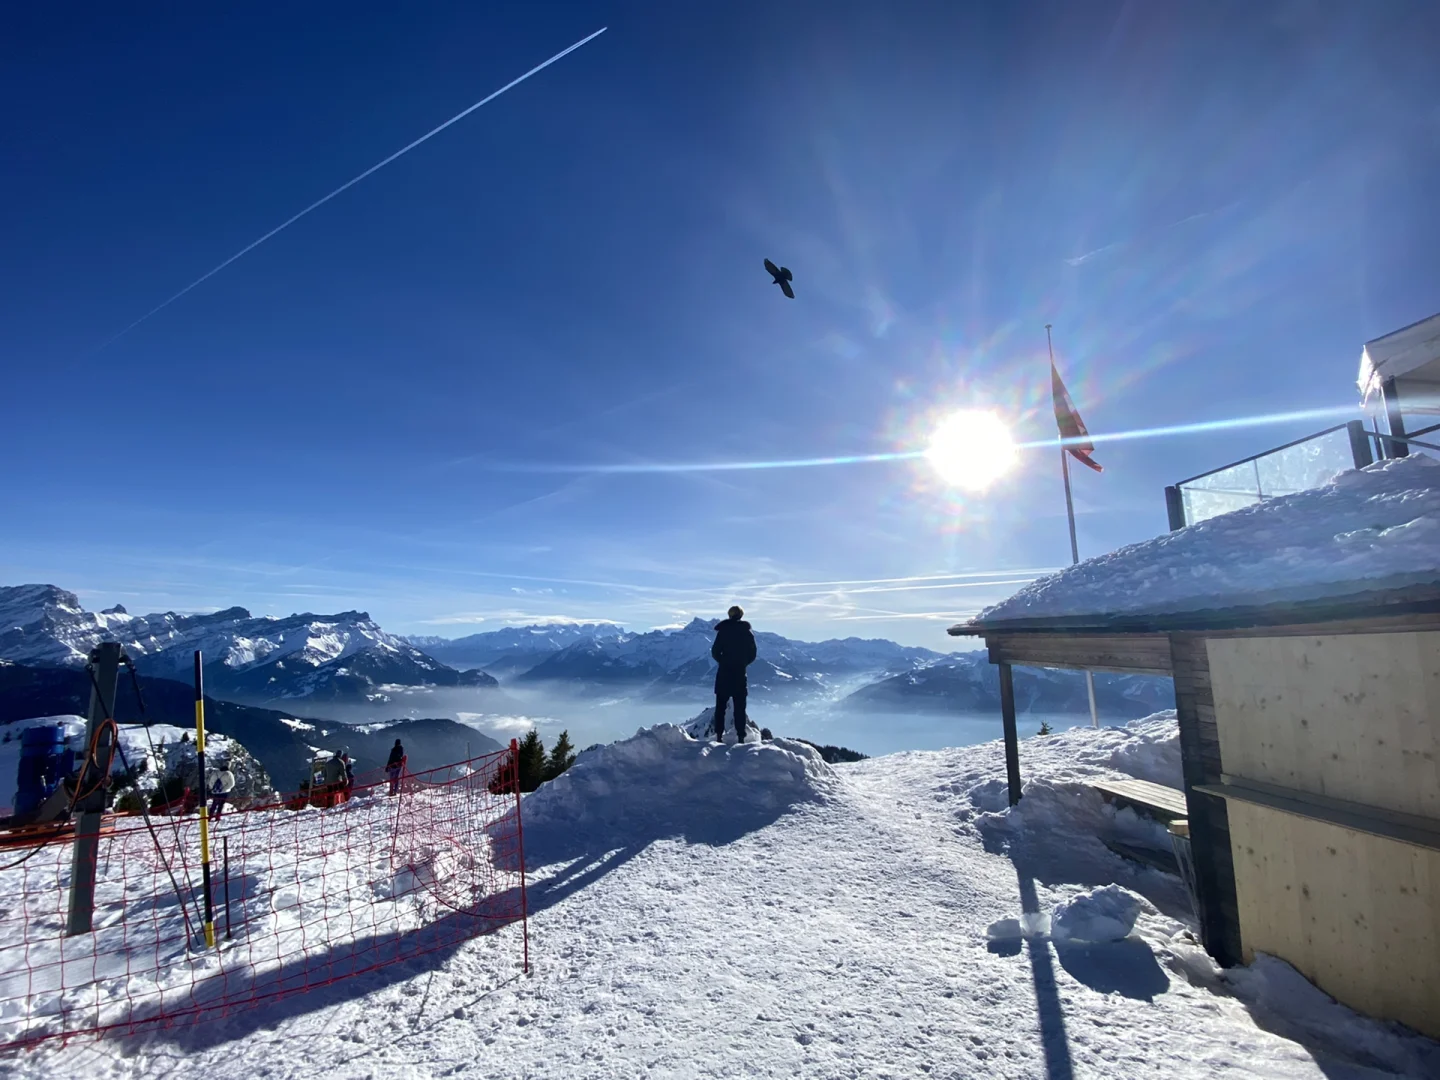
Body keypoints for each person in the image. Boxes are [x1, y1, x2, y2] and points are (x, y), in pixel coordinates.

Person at [711, 605, 757, 743]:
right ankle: (741, 737)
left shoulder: (722, 631)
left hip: (724, 674)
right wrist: (743, 663)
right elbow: (753, 653)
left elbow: (714, 652)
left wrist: (723, 661)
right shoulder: (747, 632)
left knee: (720, 707)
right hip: (739, 674)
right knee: (740, 707)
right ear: (741, 615)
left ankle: (719, 736)